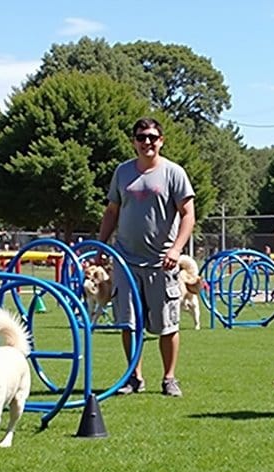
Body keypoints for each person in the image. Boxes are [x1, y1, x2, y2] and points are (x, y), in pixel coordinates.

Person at [97, 116, 196, 397]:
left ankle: (169, 378)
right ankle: (134, 377)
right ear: (134, 142)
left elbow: (188, 214)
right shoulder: (123, 172)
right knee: (128, 323)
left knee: (167, 324)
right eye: (141, 137)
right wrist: (100, 247)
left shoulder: (173, 173)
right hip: (126, 262)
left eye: (152, 137)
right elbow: (112, 212)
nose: (147, 142)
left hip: (161, 262)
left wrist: (176, 249)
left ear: (161, 141)